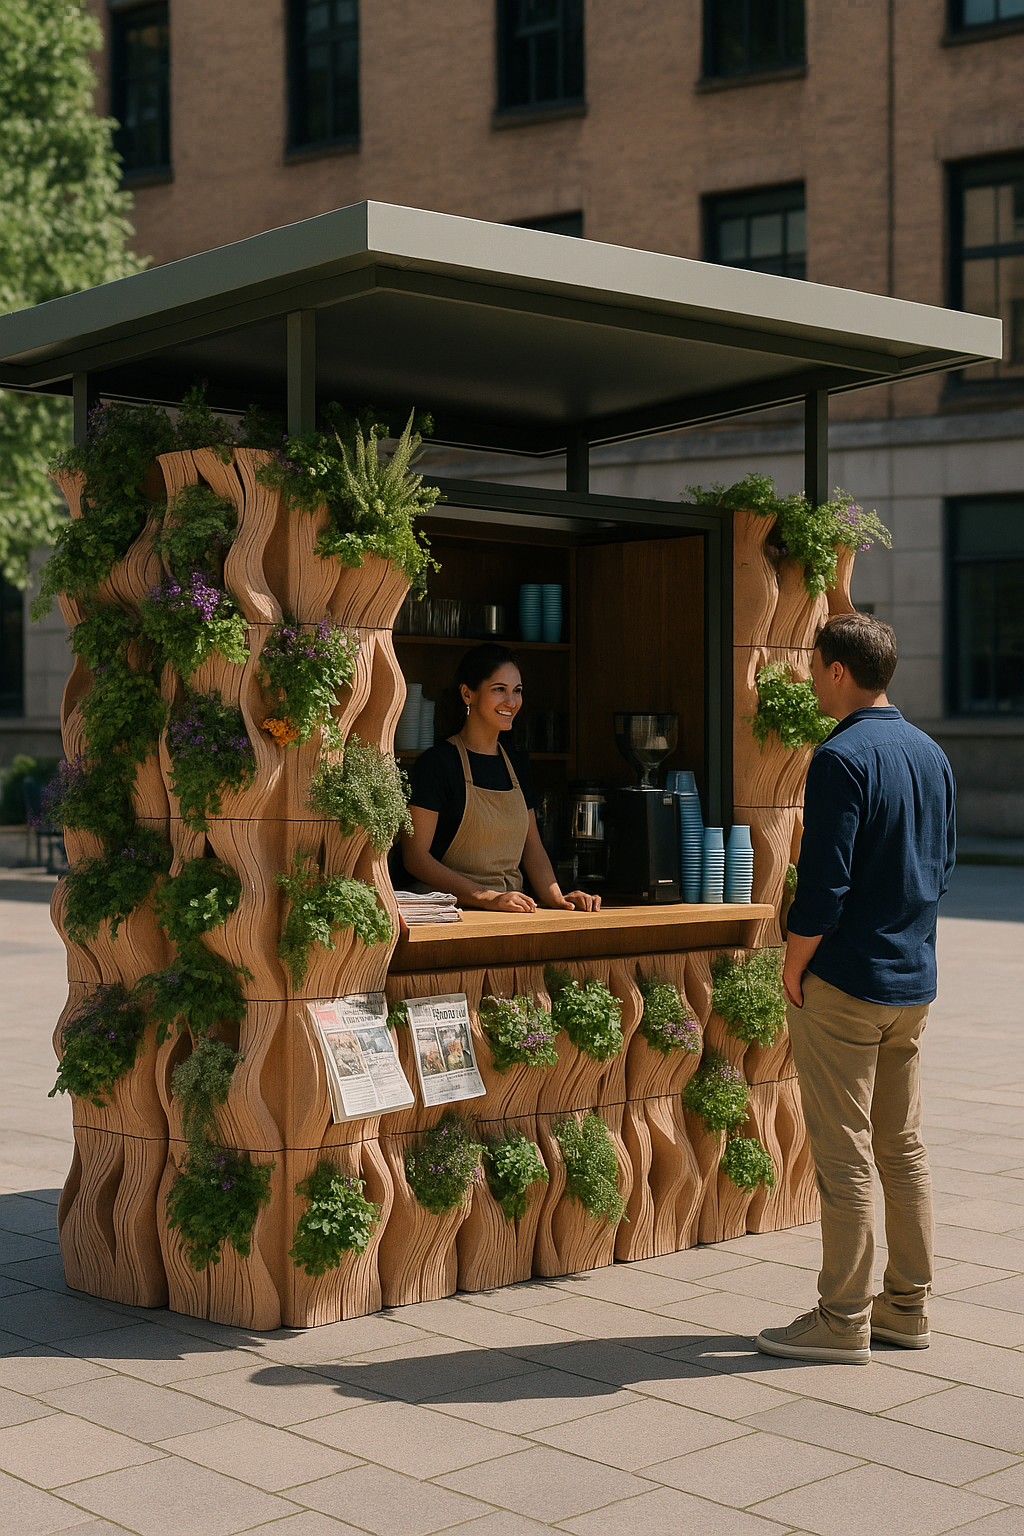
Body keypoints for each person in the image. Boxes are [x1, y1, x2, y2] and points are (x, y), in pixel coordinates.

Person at [755, 613, 955, 1366]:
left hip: (845, 982)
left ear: (839, 670)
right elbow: (941, 871)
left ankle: (841, 1318)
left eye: (814, 666)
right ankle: (906, 1308)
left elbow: (822, 889)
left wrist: (792, 963)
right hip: (912, 981)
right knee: (902, 1150)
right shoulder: (932, 754)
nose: (809, 677)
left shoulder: (841, 758)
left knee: (843, 1156)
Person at [400, 644, 599, 914]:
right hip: (452, 914)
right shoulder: (437, 764)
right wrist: (486, 897)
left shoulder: (516, 763)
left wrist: (557, 897)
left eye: (517, 690)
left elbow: (533, 850)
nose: (512, 701)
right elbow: (415, 858)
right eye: (499, 689)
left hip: (509, 911)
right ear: (467, 694)